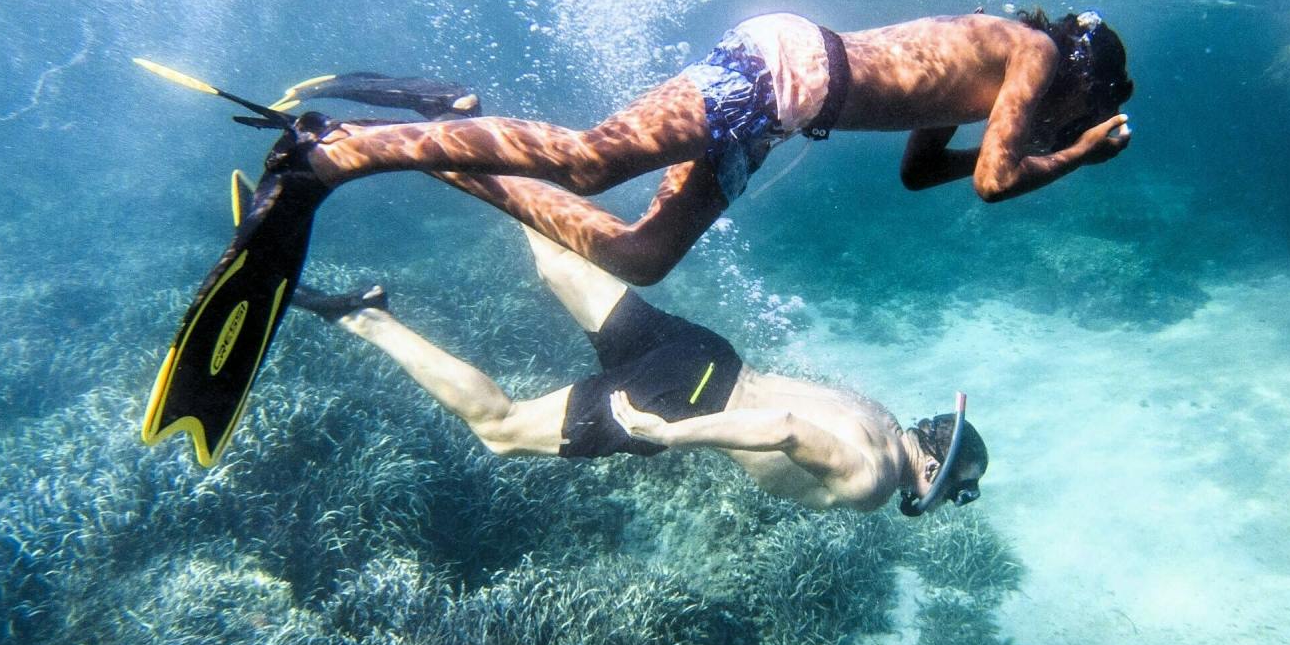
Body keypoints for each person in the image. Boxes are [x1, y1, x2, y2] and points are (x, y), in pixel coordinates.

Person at [257, 8, 1133, 286]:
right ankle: (333, 152)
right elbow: (992, 182)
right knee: (590, 160)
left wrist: (1036, 155)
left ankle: (445, 147)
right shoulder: (1035, 52)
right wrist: (1080, 159)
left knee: (642, 257)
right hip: (782, 67)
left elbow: (921, 174)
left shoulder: (992, 71)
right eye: (1089, 104)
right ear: (1083, 76)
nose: (1076, 116)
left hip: (781, 111)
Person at [294, 227, 988, 516]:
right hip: (677, 401)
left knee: (558, 262)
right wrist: (670, 434)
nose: (945, 502)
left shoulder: (879, 413)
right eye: (956, 490)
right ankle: (364, 315)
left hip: (707, 355)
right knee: (500, 428)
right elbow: (780, 427)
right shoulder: (871, 481)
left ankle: (462, 135)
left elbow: (787, 399)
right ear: (934, 468)